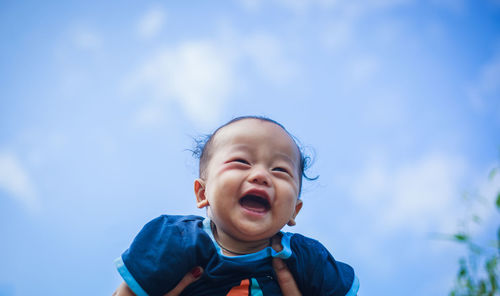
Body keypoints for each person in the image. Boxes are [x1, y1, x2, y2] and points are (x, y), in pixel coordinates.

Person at [114, 116, 359, 295]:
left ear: (294, 210)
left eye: (280, 170)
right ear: (202, 192)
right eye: (241, 161)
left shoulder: (306, 260)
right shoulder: (176, 240)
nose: (262, 175)